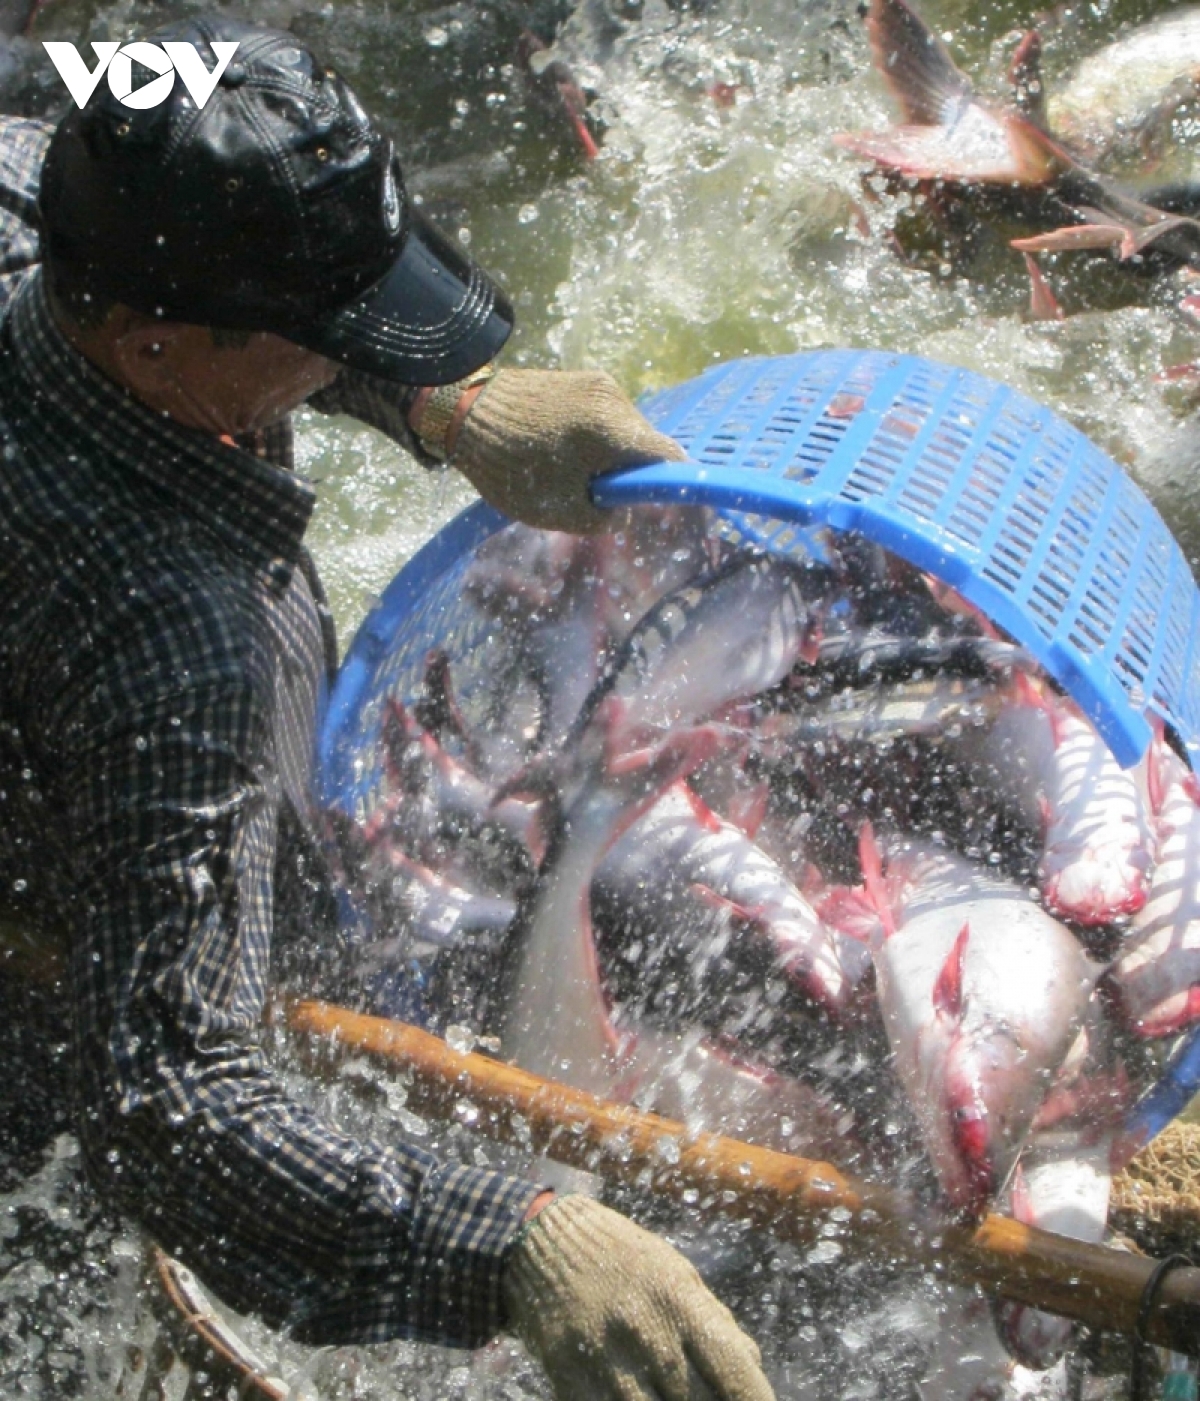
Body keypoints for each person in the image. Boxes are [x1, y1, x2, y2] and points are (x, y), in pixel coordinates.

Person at [0, 15, 777, 1401]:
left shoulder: (43, 193)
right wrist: (515, 1241)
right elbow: (169, 1103)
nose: (344, 352)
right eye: (328, 338)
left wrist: (444, 400)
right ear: (163, 344)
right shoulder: (171, 636)